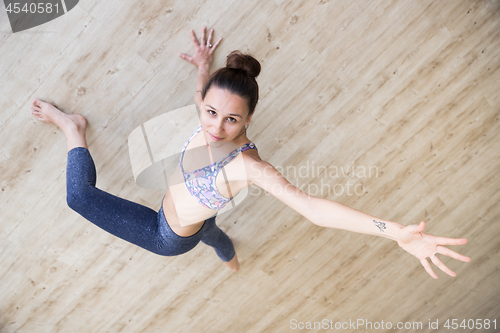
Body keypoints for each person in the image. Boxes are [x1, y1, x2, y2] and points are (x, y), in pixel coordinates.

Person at [30, 27, 470, 278]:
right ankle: (227, 253)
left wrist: (394, 232)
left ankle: (73, 128)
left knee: (79, 198)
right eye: (210, 113)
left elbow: (315, 209)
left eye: (232, 120)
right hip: (198, 211)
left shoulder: (248, 165)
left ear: (248, 121)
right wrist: (205, 65)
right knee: (212, 231)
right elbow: (205, 95)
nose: (217, 128)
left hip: (166, 233)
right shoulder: (211, 107)